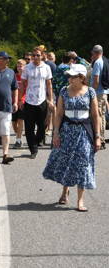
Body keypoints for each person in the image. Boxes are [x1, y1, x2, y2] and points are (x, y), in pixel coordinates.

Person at [43, 64, 101, 212]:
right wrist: (56, 132)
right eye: (69, 76)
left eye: (72, 76)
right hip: (67, 131)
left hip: (84, 132)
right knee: (67, 161)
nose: (69, 78)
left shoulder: (90, 92)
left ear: (81, 78)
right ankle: (64, 192)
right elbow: (59, 114)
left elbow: (95, 115)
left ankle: (80, 200)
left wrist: (97, 137)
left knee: (82, 165)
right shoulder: (63, 91)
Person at [20, 46, 55, 159]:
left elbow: (49, 84)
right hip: (29, 101)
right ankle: (33, 150)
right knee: (29, 127)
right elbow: (23, 84)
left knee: (42, 126)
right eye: (33, 55)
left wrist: (51, 99)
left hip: (42, 100)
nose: (35, 57)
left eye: (38, 55)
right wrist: (21, 99)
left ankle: (37, 140)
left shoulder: (46, 67)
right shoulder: (27, 68)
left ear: (42, 56)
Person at [90, 44, 107, 149]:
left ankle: (100, 139)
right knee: (103, 115)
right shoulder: (105, 61)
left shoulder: (97, 63)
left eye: (92, 53)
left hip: (98, 92)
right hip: (104, 92)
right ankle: (102, 137)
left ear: (95, 53)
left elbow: (96, 80)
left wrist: (92, 91)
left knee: (98, 115)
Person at [13, 59, 27, 148]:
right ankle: (18, 134)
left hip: (23, 102)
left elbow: (28, 90)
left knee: (20, 120)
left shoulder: (26, 78)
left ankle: (18, 140)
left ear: (25, 67)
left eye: (21, 65)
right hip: (13, 102)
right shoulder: (14, 76)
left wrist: (22, 99)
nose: (19, 67)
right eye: (18, 66)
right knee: (13, 122)